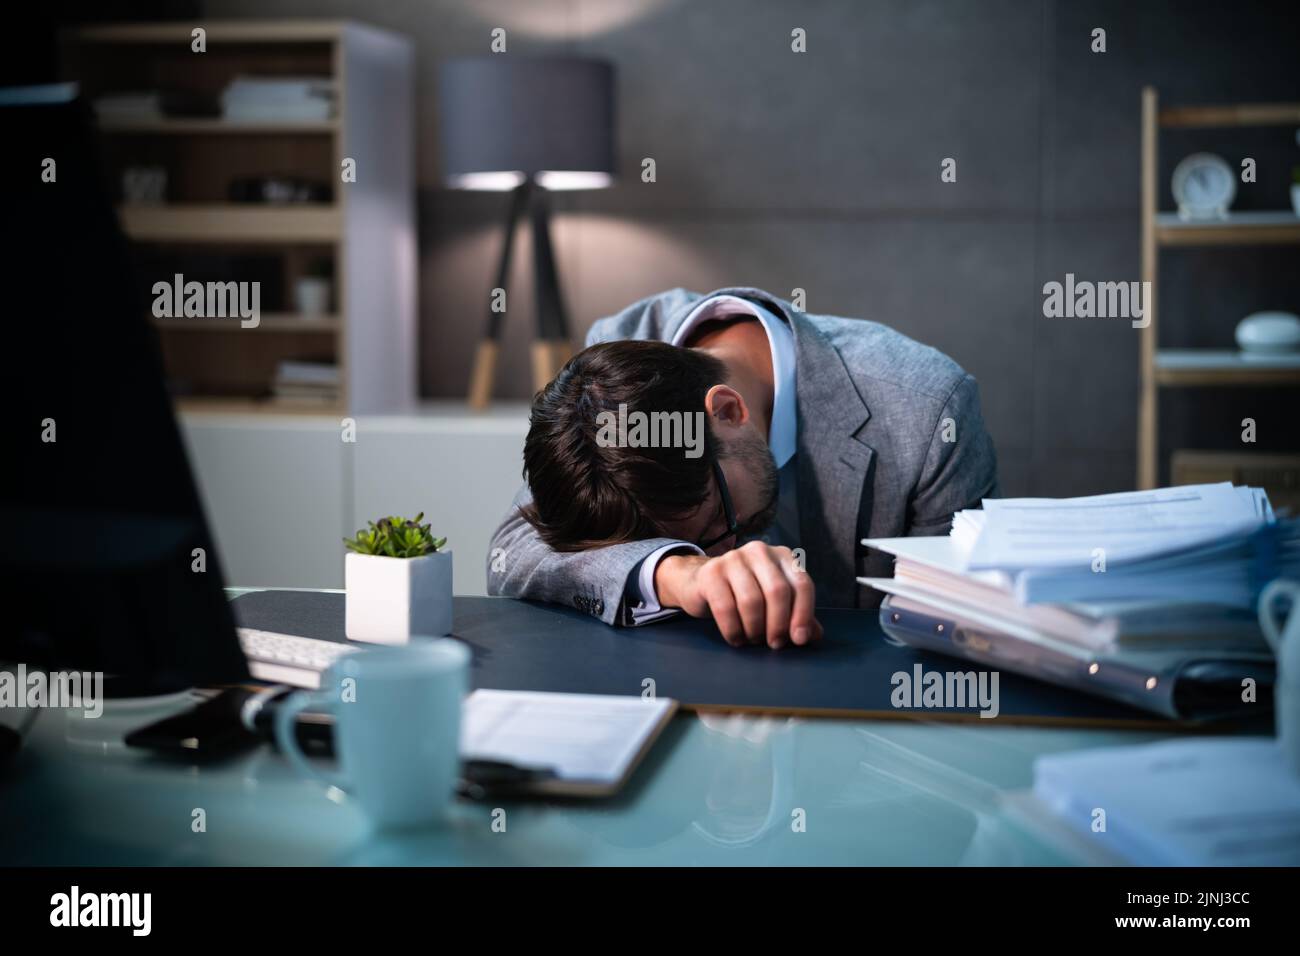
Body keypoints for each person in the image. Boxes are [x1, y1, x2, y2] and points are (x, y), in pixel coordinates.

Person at [488, 286, 998, 649]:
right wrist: (673, 569)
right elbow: (511, 554)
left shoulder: (927, 410)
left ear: (728, 412)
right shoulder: (606, 372)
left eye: (716, 522)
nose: (726, 554)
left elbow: (948, 631)